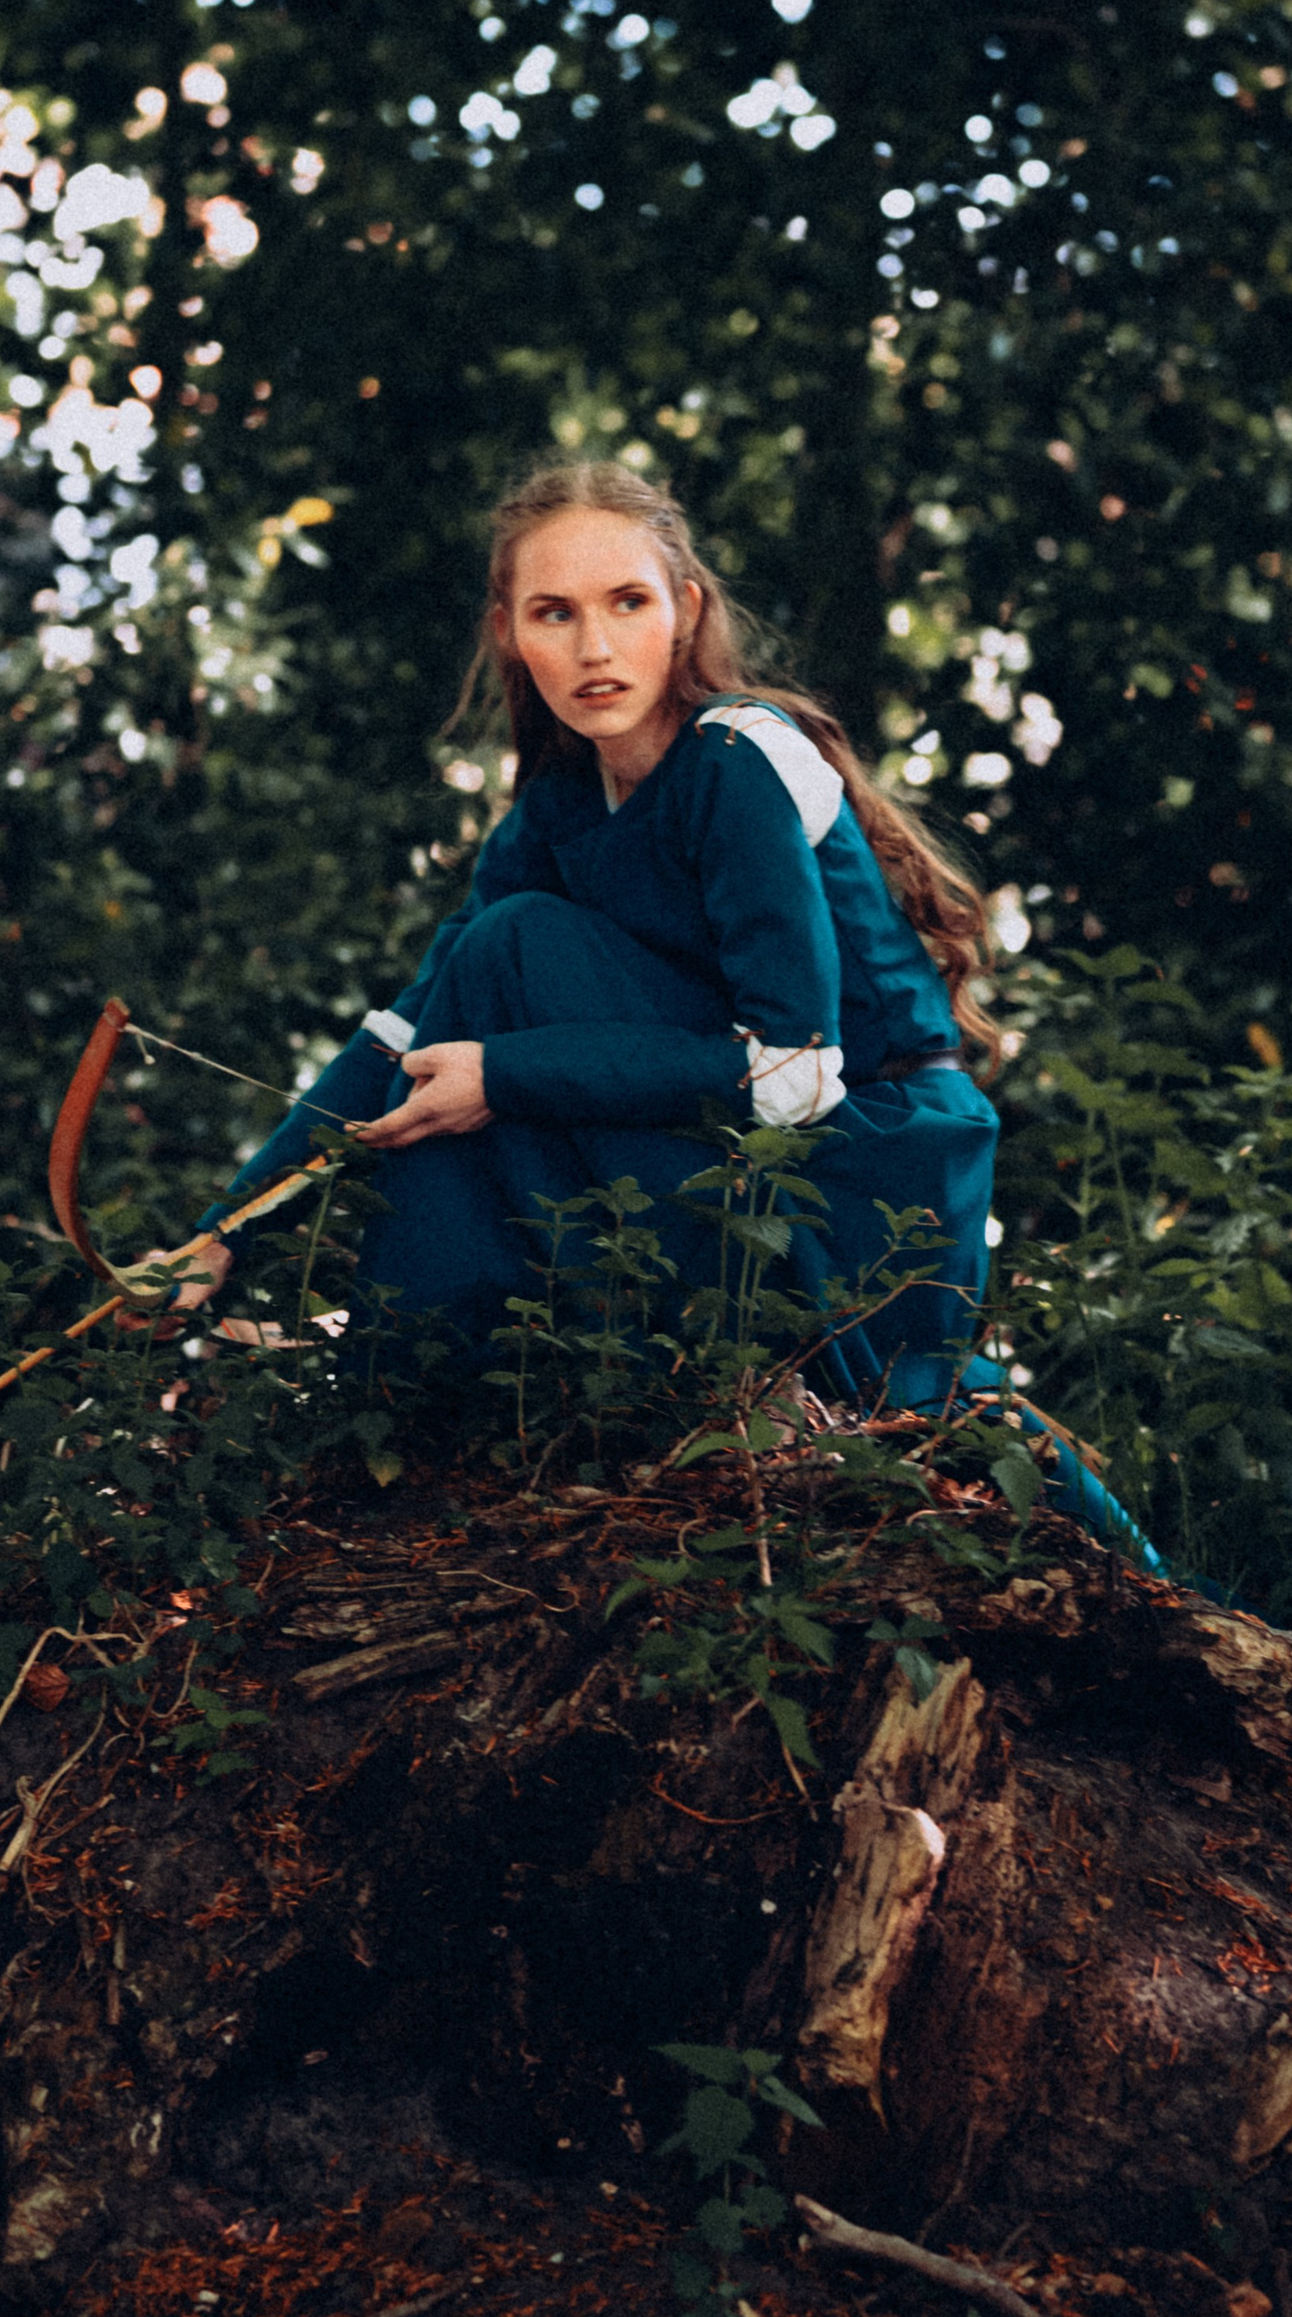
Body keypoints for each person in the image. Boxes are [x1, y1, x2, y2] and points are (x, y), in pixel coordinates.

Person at [163, 459, 1158, 1563]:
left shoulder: (735, 757)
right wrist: (222, 1232)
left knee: (513, 959)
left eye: (626, 602)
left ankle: (689, 1387)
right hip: (733, 1141)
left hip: (867, 1163)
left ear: (684, 608)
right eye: (555, 612)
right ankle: (418, 1413)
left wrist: (507, 1073)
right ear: (510, 634)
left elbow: (797, 1073)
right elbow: (409, 1033)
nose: (594, 648)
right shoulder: (553, 808)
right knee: (493, 965)